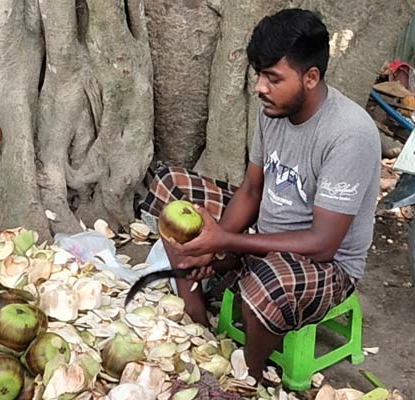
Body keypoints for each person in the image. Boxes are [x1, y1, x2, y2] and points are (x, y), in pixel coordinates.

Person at [137, 8, 381, 383]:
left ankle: (247, 376)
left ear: (311, 77)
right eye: (259, 75)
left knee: (267, 285)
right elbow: (252, 189)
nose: (259, 88)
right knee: (174, 193)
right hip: (264, 236)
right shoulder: (274, 110)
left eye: (272, 78)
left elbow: (323, 244)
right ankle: (196, 316)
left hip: (326, 266)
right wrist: (213, 246)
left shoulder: (349, 134)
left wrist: (227, 240)